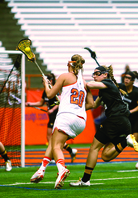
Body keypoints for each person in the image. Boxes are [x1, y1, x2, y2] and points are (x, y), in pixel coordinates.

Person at [30, 54, 94, 189]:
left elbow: (49, 95)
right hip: (81, 121)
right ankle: (41, 169)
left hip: (66, 116)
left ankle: (62, 169)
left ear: (70, 64)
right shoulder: (84, 82)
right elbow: (91, 104)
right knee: (54, 141)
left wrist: (46, 85)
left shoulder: (65, 76)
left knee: (56, 146)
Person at [69, 65, 138, 187]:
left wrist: (78, 74)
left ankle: (85, 180)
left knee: (94, 148)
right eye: (93, 74)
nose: (94, 76)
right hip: (124, 123)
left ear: (105, 74)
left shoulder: (107, 82)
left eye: (97, 74)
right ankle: (125, 142)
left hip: (115, 121)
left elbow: (89, 85)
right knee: (105, 156)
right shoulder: (105, 89)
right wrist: (75, 109)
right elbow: (93, 105)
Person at [25, 73, 78, 163]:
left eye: (44, 81)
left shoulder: (55, 90)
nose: (42, 82)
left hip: (56, 115)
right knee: (52, 137)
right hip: (51, 116)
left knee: (51, 136)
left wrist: (52, 109)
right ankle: (71, 151)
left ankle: (54, 156)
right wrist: (30, 104)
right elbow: (41, 103)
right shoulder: (45, 91)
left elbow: (60, 101)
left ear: (50, 80)